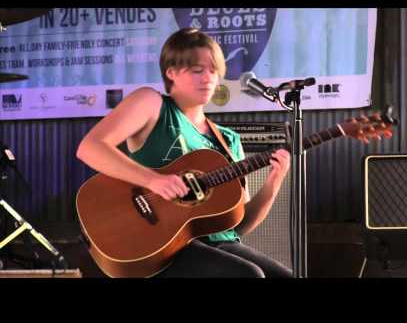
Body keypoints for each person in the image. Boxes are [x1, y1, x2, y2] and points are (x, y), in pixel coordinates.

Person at [76, 27, 293, 277]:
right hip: (163, 244)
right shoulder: (153, 105)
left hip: (219, 245)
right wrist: (153, 180)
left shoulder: (229, 140)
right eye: (197, 70)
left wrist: (274, 182)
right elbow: (89, 148)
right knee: (247, 275)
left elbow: (239, 225)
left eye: (213, 71)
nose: (208, 78)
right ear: (171, 73)